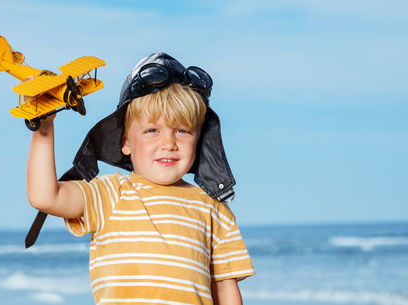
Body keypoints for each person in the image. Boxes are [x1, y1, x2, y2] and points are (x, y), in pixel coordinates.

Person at [26, 52, 254, 305]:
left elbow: (224, 288)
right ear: (124, 142)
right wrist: (43, 130)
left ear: (199, 141)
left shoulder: (214, 209)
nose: (168, 143)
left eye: (182, 130)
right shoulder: (110, 194)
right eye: (152, 130)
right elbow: (45, 197)